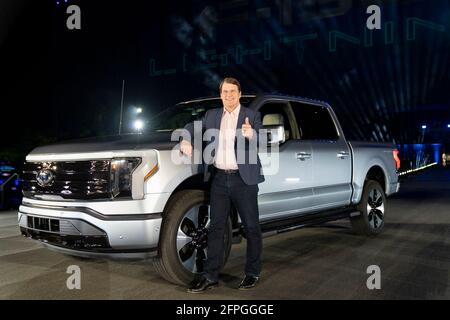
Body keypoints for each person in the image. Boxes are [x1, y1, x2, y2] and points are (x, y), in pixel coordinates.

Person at [180, 77, 264, 293]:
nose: (229, 95)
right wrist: (186, 139)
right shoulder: (212, 115)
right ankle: (210, 276)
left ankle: (252, 273)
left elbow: (261, 140)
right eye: (225, 91)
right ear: (220, 94)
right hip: (219, 180)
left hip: (243, 180)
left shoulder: (252, 116)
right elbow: (192, 125)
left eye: (233, 91)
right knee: (216, 228)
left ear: (239, 93)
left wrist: (251, 134)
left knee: (251, 228)